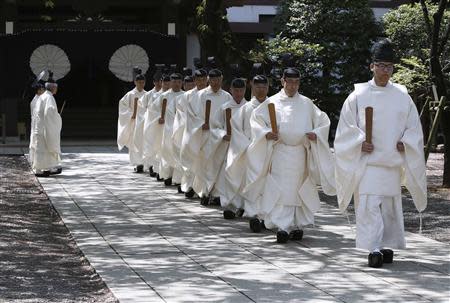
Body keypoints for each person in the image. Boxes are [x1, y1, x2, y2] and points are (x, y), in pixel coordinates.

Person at [334, 39, 427, 268]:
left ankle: (386, 244)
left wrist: (407, 142)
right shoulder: (358, 95)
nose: (385, 71)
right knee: (369, 204)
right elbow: (345, 127)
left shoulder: (402, 96)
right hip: (368, 163)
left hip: (391, 162)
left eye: (389, 66)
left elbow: (413, 127)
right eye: (381, 65)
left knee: (389, 206)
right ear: (372, 66)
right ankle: (373, 247)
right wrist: (358, 143)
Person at [243, 67, 335, 243]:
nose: (293, 86)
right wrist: (266, 133)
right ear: (282, 81)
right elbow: (256, 120)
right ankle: (282, 226)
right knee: (281, 188)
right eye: (289, 82)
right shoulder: (272, 102)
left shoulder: (307, 103)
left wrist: (316, 133)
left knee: (298, 188)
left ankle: (297, 224)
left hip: (300, 151)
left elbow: (323, 121)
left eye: (296, 82)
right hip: (280, 150)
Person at [224, 74, 270, 230]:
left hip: (268, 152)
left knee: (267, 184)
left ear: (268, 87)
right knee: (249, 182)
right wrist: (247, 146)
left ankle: (264, 213)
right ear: (252, 87)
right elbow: (236, 130)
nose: (261, 90)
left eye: (264, 87)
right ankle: (248, 210)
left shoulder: (273, 106)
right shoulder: (245, 109)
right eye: (258, 87)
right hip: (249, 150)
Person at [184, 68, 233, 204]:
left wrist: (227, 131)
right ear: (208, 80)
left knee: (219, 165)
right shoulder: (200, 95)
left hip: (221, 136)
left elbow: (230, 116)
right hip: (205, 134)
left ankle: (217, 194)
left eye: (218, 79)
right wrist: (201, 124)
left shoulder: (227, 96)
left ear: (221, 79)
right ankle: (204, 192)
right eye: (212, 80)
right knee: (204, 164)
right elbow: (191, 114)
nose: (215, 82)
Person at [207, 77, 247, 219]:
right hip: (228, 146)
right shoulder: (224, 108)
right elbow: (215, 126)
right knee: (228, 174)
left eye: (241, 90)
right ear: (231, 90)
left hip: (243, 148)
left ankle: (242, 205)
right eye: (236, 90)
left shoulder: (248, 108)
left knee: (242, 176)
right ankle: (229, 204)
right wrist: (223, 134)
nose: (238, 93)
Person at [175, 68, 208, 196]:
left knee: (204, 162)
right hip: (190, 131)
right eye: (199, 80)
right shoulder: (187, 96)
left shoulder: (211, 94)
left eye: (204, 80)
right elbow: (183, 116)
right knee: (190, 159)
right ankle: (189, 186)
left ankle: (203, 189)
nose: (201, 82)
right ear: (194, 80)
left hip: (207, 133)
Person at [154, 73, 185, 186]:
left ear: (181, 83)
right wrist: (159, 118)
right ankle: (167, 175)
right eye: (174, 82)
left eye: (178, 82)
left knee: (179, 152)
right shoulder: (164, 96)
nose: (176, 84)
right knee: (167, 151)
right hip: (167, 128)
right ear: (170, 83)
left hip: (181, 129)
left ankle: (178, 178)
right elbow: (154, 110)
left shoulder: (185, 95)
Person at [31, 70, 63, 177]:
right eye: (56, 87)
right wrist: (57, 117)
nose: (56, 89)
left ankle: (44, 169)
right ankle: (42, 170)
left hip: (39, 128)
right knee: (45, 149)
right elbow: (49, 112)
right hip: (44, 129)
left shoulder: (42, 96)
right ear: (53, 87)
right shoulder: (49, 97)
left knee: (42, 150)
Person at [117, 68, 147, 172]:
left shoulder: (147, 94)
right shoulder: (130, 94)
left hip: (144, 122)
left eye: (142, 82)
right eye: (139, 82)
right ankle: (138, 163)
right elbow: (122, 106)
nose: (141, 84)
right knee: (135, 142)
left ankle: (145, 163)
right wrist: (131, 114)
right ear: (135, 82)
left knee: (144, 142)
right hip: (134, 122)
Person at [141, 71, 163, 175]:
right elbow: (142, 106)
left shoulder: (165, 94)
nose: (159, 83)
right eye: (157, 81)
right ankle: (150, 166)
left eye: (161, 81)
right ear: (154, 82)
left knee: (160, 145)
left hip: (162, 123)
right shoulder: (149, 94)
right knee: (150, 144)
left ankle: (159, 168)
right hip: (151, 122)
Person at [29, 72, 46, 167]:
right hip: (38, 125)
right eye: (42, 89)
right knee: (38, 145)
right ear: (39, 90)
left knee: (36, 145)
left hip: (37, 125)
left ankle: (36, 163)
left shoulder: (37, 99)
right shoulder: (37, 100)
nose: (43, 91)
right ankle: (38, 164)